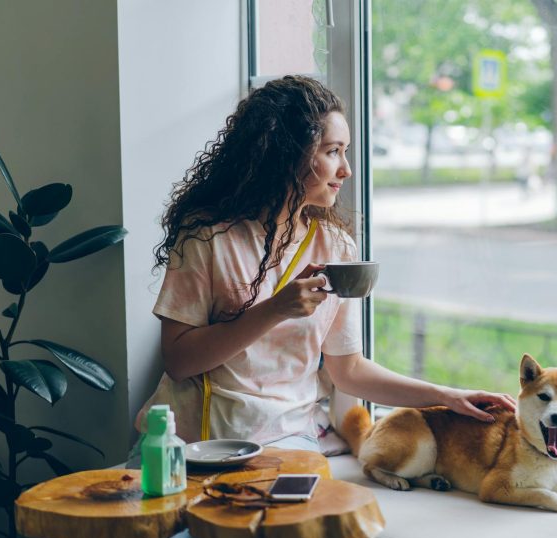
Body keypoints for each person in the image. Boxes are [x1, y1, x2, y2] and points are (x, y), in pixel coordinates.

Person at [137, 75, 515, 454]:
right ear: (286, 153)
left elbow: (348, 370)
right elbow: (180, 361)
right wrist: (275, 310)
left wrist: (447, 397)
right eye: (333, 151)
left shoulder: (335, 246)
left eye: (345, 151)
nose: (346, 170)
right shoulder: (208, 237)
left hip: (286, 439)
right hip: (195, 443)